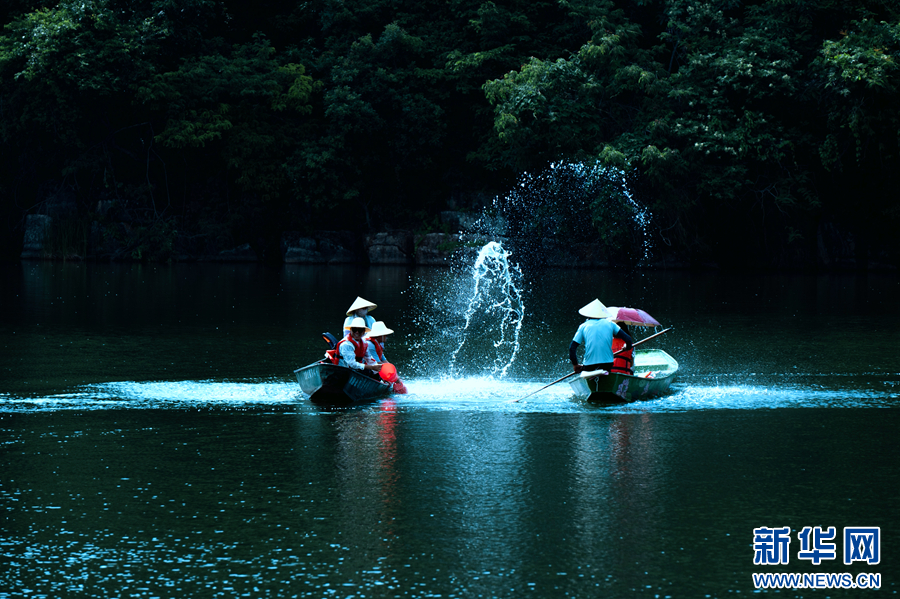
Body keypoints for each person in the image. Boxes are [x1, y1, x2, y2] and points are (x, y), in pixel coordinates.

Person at [569, 299, 633, 373]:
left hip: (589, 365)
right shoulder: (610, 323)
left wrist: (575, 365)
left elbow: (572, 348)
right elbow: (628, 339)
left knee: (585, 370)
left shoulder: (583, 326)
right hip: (607, 364)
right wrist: (627, 347)